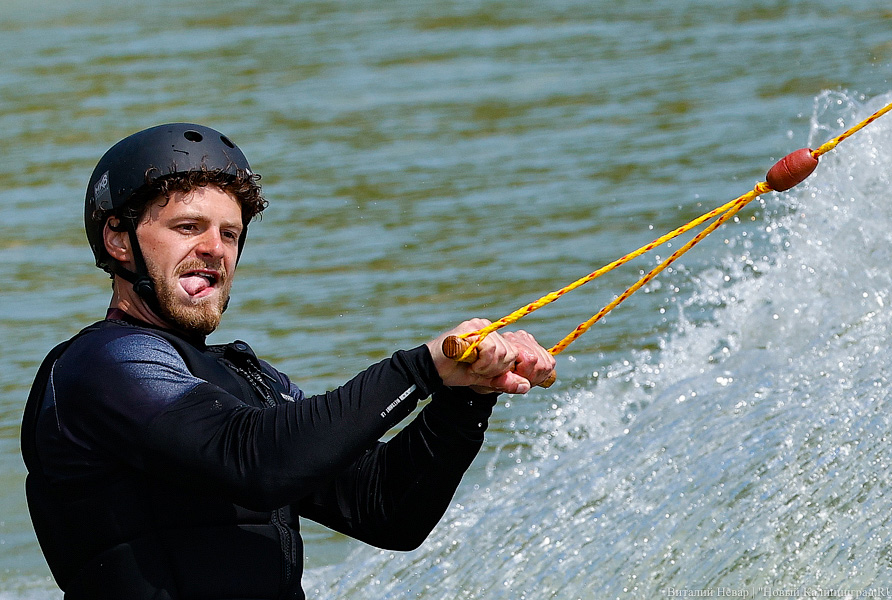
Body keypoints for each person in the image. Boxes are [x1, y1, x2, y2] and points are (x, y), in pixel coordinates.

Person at [21, 123, 555, 600]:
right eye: (188, 227)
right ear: (118, 239)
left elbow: (386, 508)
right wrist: (421, 369)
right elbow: (256, 461)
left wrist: (465, 395)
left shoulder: (247, 381)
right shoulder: (100, 366)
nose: (215, 249)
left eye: (230, 233)